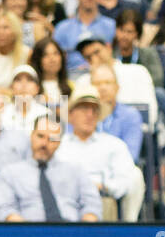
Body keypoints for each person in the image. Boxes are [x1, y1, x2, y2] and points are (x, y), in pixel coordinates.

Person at [54, 82, 145, 220]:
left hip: (102, 196)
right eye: (84, 108)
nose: (89, 115)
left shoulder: (114, 145)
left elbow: (125, 180)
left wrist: (105, 187)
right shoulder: (58, 146)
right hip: (66, 199)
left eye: (94, 110)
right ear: (71, 115)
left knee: (136, 175)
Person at [0, 115, 103, 222]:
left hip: (72, 233)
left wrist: (84, 234)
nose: (44, 144)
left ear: (59, 142)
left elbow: (92, 205)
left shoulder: (76, 171)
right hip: (28, 234)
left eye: (52, 139)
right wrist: (27, 234)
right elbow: (5, 209)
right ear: (31, 135)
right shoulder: (10, 173)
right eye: (40, 136)